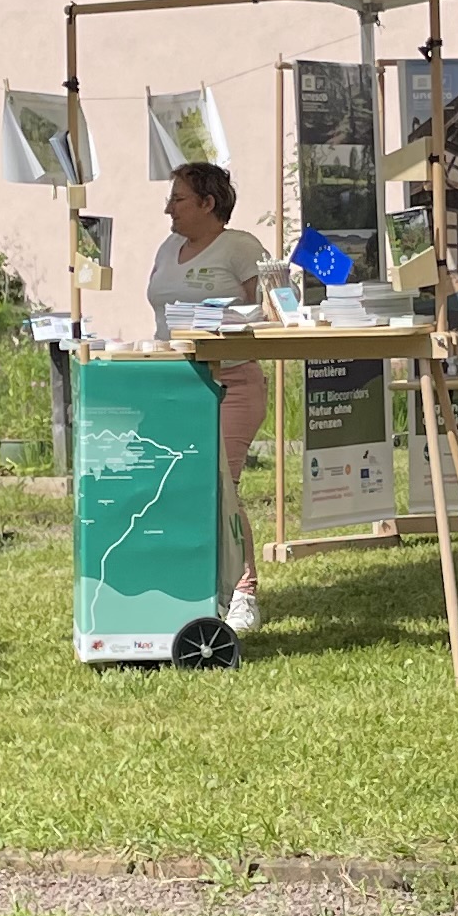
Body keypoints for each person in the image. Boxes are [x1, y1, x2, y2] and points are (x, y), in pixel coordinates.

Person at [147, 160, 273, 633]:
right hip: (174, 383)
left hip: (231, 384)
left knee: (221, 488)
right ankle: (191, 586)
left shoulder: (241, 247)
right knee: (178, 488)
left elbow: (271, 311)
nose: (169, 209)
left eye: (178, 199)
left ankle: (243, 594)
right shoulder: (168, 248)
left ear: (207, 203)